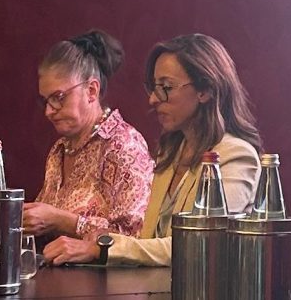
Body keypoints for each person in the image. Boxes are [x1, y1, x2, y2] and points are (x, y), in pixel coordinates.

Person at [43, 32, 260, 268]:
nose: (153, 99)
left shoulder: (236, 156)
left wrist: (103, 247)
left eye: (166, 87)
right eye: (154, 88)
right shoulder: (170, 155)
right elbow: (148, 242)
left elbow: (198, 246)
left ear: (205, 90)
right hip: (157, 289)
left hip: (206, 292)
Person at [22, 31, 152, 244]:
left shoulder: (124, 145)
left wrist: (61, 221)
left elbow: (135, 238)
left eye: (58, 98)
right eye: (45, 101)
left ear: (91, 90)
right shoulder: (59, 150)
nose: (48, 111)